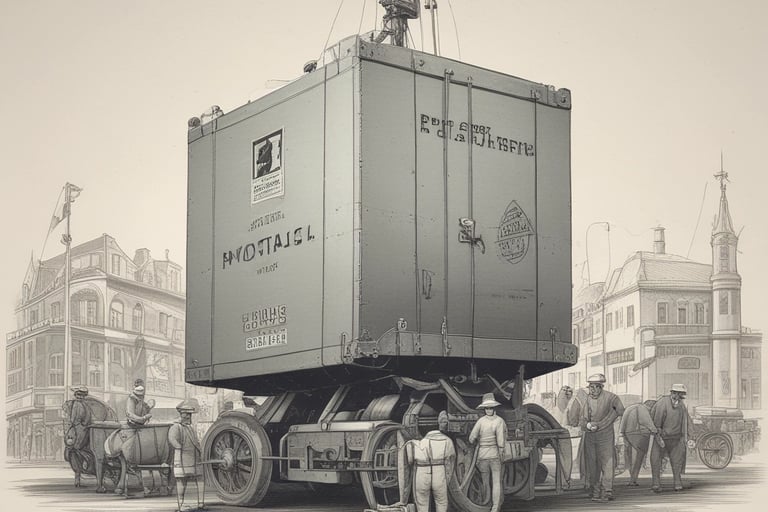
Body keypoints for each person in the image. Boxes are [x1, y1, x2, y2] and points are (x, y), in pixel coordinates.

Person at [579, 374, 625, 502]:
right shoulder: (587, 400)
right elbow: (582, 419)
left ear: (600, 387)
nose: (591, 391)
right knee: (592, 464)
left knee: (607, 462)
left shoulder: (612, 398)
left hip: (606, 436)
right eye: (590, 388)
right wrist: (588, 425)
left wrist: (604, 423)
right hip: (590, 436)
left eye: (594, 388)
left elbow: (620, 410)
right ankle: (595, 490)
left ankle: (607, 491)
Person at [398, 410, 456, 512]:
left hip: (421, 474)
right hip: (439, 473)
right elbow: (451, 459)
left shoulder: (417, 443)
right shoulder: (447, 441)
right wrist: (448, 477)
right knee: (441, 502)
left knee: (422, 503)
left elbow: (410, 461)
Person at [650, 384, 695, 493]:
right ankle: (656, 483)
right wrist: (658, 435)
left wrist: (691, 436)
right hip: (661, 437)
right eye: (675, 393)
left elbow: (687, 421)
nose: (677, 396)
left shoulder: (682, 406)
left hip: (676, 438)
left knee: (677, 461)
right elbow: (656, 421)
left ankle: (677, 482)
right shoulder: (662, 403)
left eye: (680, 394)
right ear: (672, 393)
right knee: (656, 460)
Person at [469, 393, 507, 512]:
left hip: (482, 455)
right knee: (496, 482)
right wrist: (502, 454)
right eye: (488, 408)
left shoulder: (480, 421)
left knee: (485, 481)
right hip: (495, 455)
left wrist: (480, 440)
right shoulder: (499, 421)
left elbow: (471, 438)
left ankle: (487, 503)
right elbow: (501, 442)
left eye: (489, 408)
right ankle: (495, 508)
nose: (489, 409)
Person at [168, 399, 204, 512]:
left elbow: (196, 441)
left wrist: (200, 450)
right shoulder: (176, 427)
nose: (188, 416)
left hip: (194, 457)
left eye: (189, 414)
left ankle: (201, 503)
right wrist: (179, 447)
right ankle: (181, 505)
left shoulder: (190, 427)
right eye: (186, 414)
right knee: (181, 481)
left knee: (200, 478)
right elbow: (172, 439)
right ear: (181, 414)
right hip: (182, 458)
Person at [620, 400, 660, 486]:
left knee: (630, 458)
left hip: (627, 434)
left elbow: (622, 422)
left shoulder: (630, 407)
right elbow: (646, 421)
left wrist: (623, 433)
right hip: (638, 435)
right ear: (650, 406)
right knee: (638, 458)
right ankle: (633, 479)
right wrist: (655, 430)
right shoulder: (642, 408)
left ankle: (632, 479)